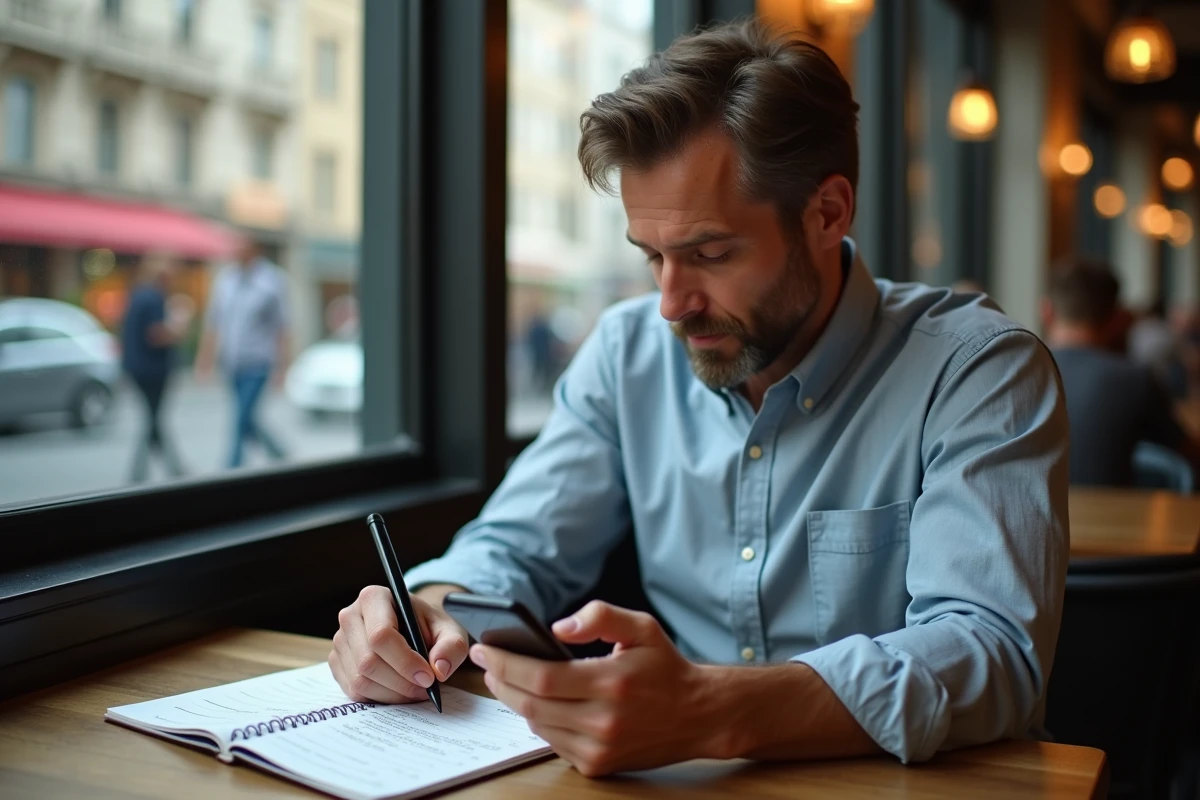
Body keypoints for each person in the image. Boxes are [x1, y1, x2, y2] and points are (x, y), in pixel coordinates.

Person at [331, 20, 1069, 776]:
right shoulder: (627, 355)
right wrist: (426, 609)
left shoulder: (978, 371)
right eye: (652, 257)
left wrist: (715, 710)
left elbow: (992, 654)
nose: (670, 304)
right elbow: (515, 548)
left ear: (828, 213)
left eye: (709, 255)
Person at [1042, 260, 1200, 486]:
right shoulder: (1135, 379)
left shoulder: (1017, 374)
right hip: (1116, 515)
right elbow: (1187, 450)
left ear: (1046, 311)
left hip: (1034, 520)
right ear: (1117, 319)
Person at [195, 239, 289, 468]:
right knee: (246, 418)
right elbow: (214, 323)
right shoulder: (225, 281)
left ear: (255, 250)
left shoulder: (272, 281)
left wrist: (282, 367)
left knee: (240, 419)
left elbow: (283, 328)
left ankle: (232, 468)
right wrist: (204, 360)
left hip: (258, 363)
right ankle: (278, 452)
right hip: (232, 363)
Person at [121, 252, 188, 482]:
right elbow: (156, 335)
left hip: (138, 368)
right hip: (152, 370)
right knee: (153, 419)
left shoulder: (138, 295)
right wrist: (179, 327)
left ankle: (168, 468)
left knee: (153, 419)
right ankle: (158, 470)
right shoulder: (153, 298)